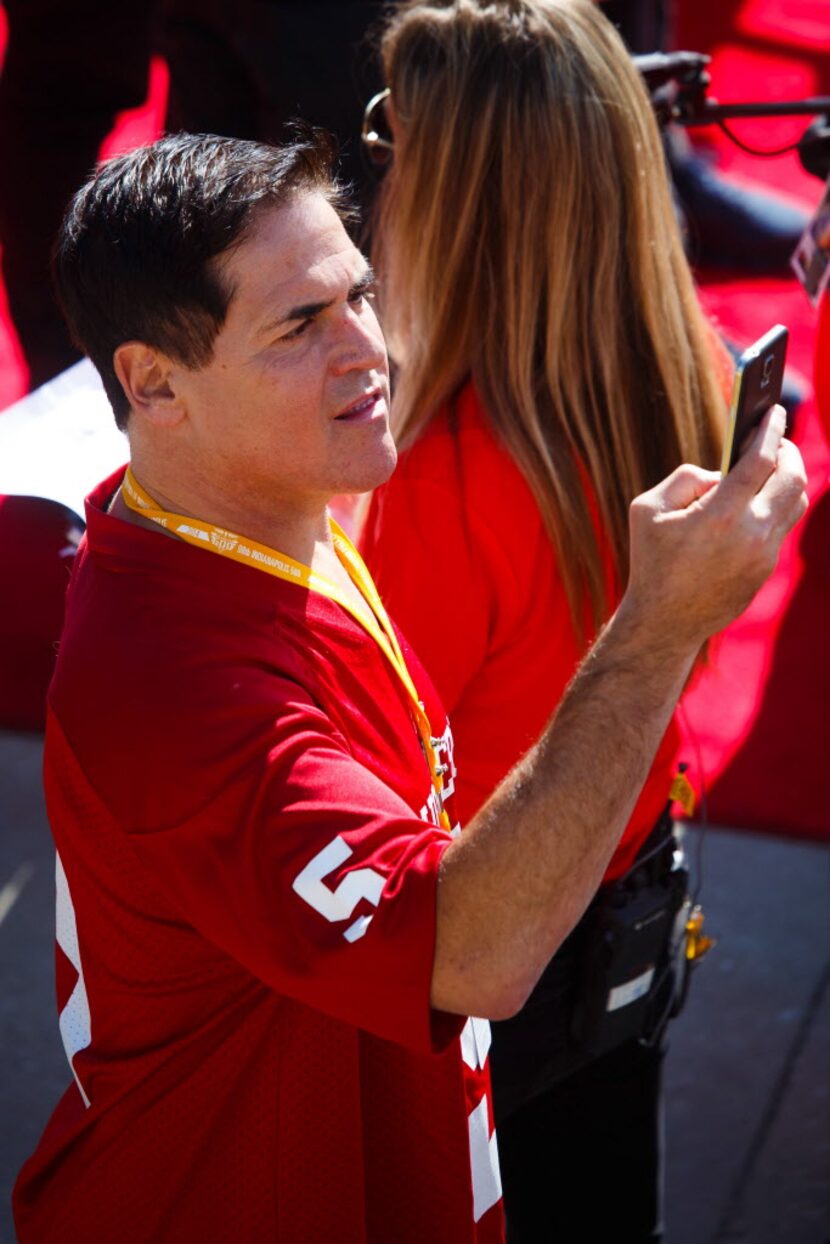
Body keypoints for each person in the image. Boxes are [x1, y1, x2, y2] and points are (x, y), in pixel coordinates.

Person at [12, 129, 805, 1243]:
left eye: (360, 295)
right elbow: (467, 954)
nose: (367, 349)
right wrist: (656, 625)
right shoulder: (175, 689)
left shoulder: (257, 509)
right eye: (299, 323)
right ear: (153, 382)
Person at [357, 1, 761, 1239]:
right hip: (622, 915)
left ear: (456, 194)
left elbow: (363, 801)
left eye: (392, 137)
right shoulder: (685, 365)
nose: (377, 168)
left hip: (487, 972)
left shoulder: (437, 482)